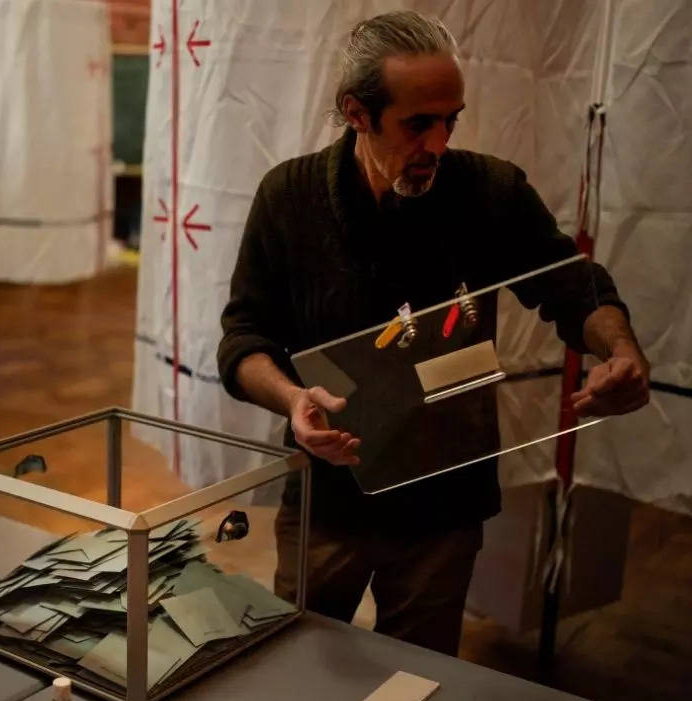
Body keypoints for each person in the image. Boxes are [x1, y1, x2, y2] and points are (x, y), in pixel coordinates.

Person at [217, 12, 650, 656]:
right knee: (298, 667)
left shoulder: (491, 192)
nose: (440, 143)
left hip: (444, 507)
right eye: (417, 124)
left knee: (418, 675)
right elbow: (244, 339)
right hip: (331, 496)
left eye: (452, 119)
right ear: (356, 112)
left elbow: (577, 291)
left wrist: (620, 350)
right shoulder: (290, 197)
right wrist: (292, 401)